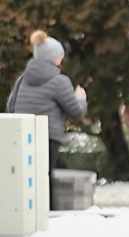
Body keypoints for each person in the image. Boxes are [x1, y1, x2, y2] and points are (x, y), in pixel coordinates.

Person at [6, 30, 87, 210]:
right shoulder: (60, 81)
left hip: (22, 134)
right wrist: (81, 98)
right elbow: (76, 112)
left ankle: (24, 212)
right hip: (48, 136)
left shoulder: (22, 79)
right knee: (45, 176)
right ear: (55, 59)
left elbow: (10, 105)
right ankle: (47, 215)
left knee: (26, 176)